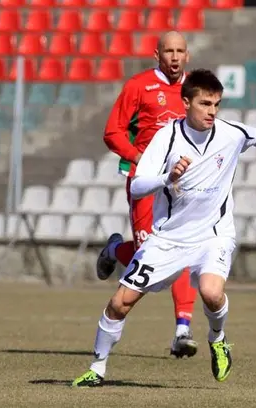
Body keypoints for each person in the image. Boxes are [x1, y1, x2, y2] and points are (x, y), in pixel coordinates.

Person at [72, 69, 256, 387]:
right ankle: (96, 370)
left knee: (210, 292)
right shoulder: (166, 137)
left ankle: (218, 339)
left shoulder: (230, 133)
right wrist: (168, 178)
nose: (212, 111)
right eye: (205, 103)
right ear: (186, 102)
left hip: (214, 233)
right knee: (119, 303)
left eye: (217, 104)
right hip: (168, 236)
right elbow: (138, 186)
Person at [98, 31, 199, 358]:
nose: (173, 56)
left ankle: (183, 329)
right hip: (145, 182)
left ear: (188, 55)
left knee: (181, 251)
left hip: (181, 185)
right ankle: (116, 250)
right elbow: (112, 132)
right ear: (156, 54)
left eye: (179, 51)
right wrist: (141, 158)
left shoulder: (194, 91)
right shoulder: (139, 86)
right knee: (148, 257)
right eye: (168, 51)